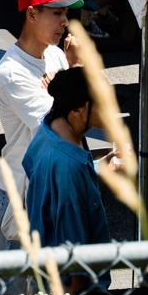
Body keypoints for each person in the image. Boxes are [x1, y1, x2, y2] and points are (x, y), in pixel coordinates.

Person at [0, 0, 81, 248]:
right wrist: (77, 69)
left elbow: (85, 112)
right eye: (57, 13)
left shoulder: (55, 55)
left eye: (66, 13)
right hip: (22, 194)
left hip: (52, 186)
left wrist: (66, 84)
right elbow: (61, 127)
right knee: (16, 275)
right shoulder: (12, 73)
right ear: (32, 14)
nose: (65, 21)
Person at [22, 67, 114, 250]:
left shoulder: (49, 128)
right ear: (78, 111)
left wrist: (98, 166)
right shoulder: (69, 167)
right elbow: (73, 250)